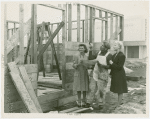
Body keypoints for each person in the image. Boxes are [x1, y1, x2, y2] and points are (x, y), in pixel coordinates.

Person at [85, 41, 112, 109]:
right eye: (101, 45)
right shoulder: (98, 53)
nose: (101, 46)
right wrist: (90, 49)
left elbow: (111, 66)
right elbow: (91, 58)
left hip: (103, 74)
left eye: (102, 46)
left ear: (106, 48)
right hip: (95, 72)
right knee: (92, 88)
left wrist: (102, 66)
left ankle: (101, 103)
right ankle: (88, 102)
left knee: (101, 89)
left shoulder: (109, 55)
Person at [109, 41, 128, 108]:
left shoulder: (122, 55)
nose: (114, 46)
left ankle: (119, 103)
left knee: (120, 89)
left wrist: (112, 63)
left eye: (115, 45)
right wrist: (110, 73)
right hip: (115, 74)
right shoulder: (114, 55)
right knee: (117, 88)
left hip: (120, 74)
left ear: (119, 46)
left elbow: (120, 67)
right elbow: (113, 66)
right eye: (114, 45)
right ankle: (120, 101)